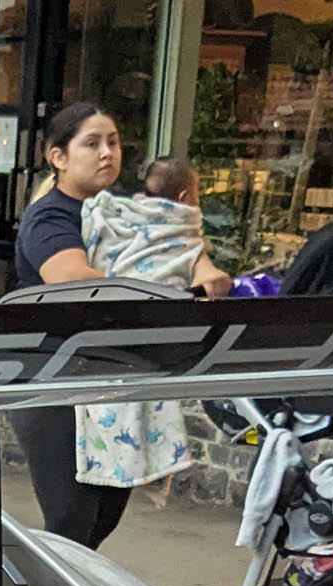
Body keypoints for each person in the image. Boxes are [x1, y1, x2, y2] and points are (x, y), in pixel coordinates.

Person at [6, 103, 229, 549]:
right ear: (59, 157)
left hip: (115, 382)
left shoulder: (126, 211)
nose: (107, 152)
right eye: (91, 143)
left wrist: (203, 271)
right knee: (72, 521)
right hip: (53, 384)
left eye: (113, 141)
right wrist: (165, 293)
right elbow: (75, 283)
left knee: (102, 521)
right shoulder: (51, 217)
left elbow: (179, 243)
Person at [70, 156, 222, 493]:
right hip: (141, 330)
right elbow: (197, 267)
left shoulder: (114, 217)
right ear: (184, 198)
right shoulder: (180, 228)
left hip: (105, 332)